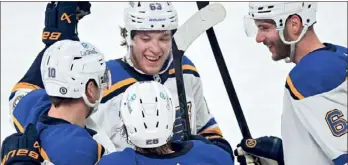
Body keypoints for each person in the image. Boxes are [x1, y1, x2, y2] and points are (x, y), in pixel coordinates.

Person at [89, 1, 233, 156]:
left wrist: (219, 151)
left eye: (164, 38)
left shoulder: (185, 70)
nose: (156, 49)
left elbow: (205, 126)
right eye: (145, 38)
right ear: (128, 36)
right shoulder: (104, 81)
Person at [234, 2, 347, 165]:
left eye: (265, 28)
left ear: (294, 24)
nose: (259, 38)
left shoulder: (311, 76)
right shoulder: (339, 55)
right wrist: (285, 155)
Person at [7, 2, 113, 164]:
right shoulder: (81, 150)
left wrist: (56, 45)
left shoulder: (31, 107)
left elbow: (20, 92)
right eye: (101, 81)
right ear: (90, 89)